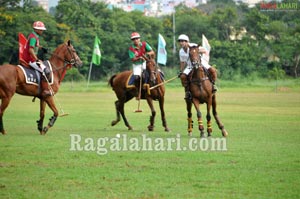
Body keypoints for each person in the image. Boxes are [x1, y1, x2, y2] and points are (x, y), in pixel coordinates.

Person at [178, 34, 217, 101]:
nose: (181, 43)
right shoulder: (181, 51)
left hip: (200, 63)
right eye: (180, 41)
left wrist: (195, 51)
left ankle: (213, 85)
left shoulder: (193, 45)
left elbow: (204, 50)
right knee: (183, 77)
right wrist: (181, 71)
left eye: (183, 41)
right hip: (190, 66)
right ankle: (187, 92)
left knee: (213, 70)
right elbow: (182, 62)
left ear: (187, 42)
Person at [22, 21, 51, 97]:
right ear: (36, 29)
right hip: (30, 59)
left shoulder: (34, 36)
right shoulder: (33, 38)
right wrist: (37, 59)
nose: (42, 31)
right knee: (46, 71)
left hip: (30, 58)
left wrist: (41, 48)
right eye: (40, 30)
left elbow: (35, 45)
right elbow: (30, 50)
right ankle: (45, 90)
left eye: (42, 30)